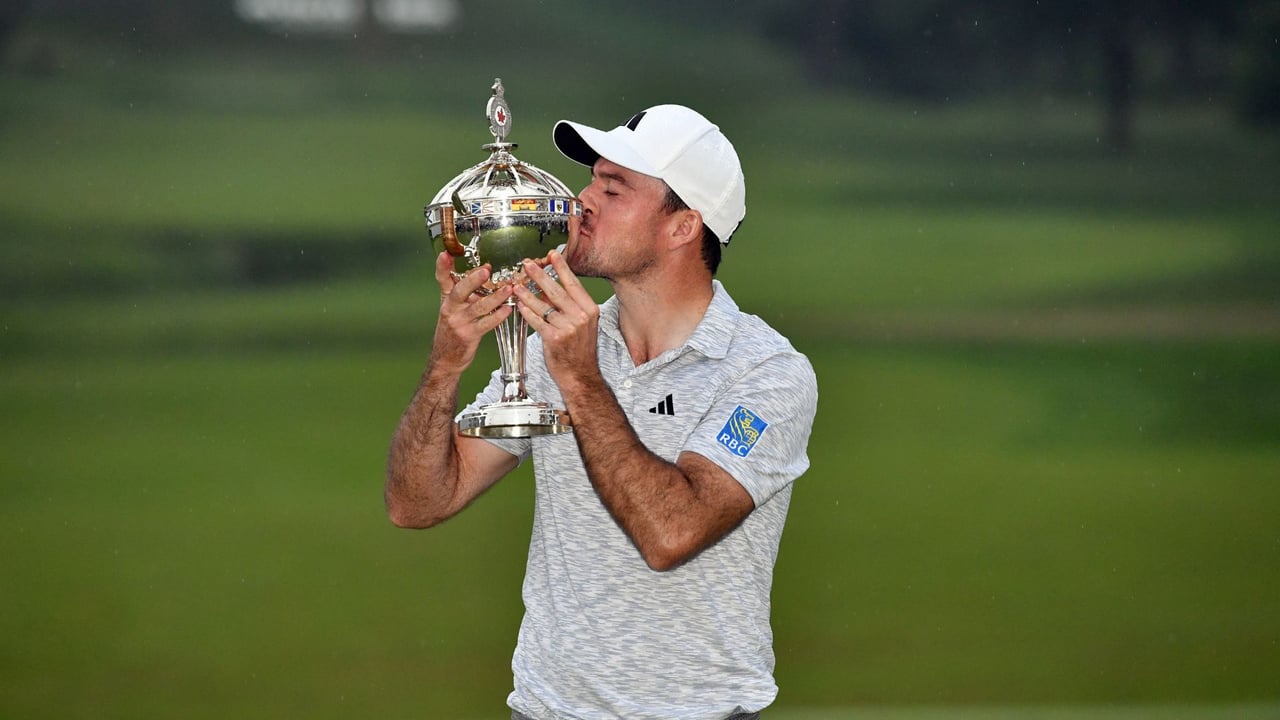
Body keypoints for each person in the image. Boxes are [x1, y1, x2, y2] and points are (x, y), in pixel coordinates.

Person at [386, 103, 818, 720]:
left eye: (614, 189)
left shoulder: (766, 373)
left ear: (683, 226)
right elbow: (418, 503)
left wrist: (581, 380)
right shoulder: (556, 345)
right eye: (592, 179)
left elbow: (672, 534)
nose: (582, 200)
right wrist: (445, 366)